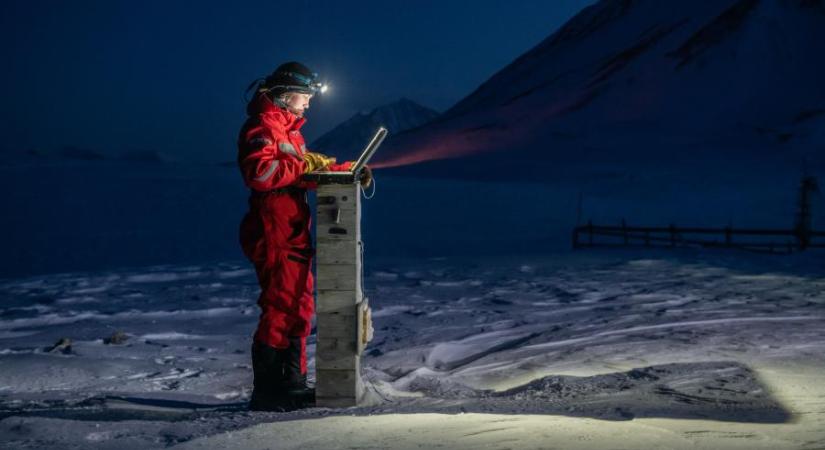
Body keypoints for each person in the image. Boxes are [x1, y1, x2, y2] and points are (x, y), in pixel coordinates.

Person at [237, 61, 371, 411]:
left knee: (299, 304)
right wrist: (307, 164)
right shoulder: (264, 127)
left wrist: (343, 171)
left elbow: (294, 173)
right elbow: (263, 174)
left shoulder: (288, 132)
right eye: (304, 96)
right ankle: (269, 390)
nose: (308, 102)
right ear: (284, 96)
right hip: (274, 230)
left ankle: (292, 382)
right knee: (280, 306)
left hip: (292, 230)